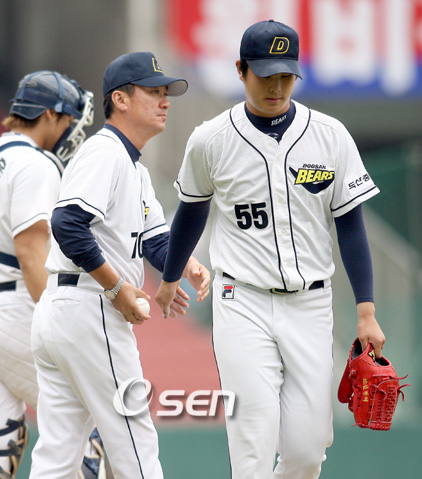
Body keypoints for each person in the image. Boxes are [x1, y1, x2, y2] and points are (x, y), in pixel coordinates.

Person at [155, 20, 386, 479]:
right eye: (265, 75)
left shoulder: (330, 135)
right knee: (253, 446)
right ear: (241, 71)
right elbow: (191, 214)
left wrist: (366, 311)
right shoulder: (211, 139)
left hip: (311, 305)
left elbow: (351, 226)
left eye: (285, 76)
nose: (276, 87)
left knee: (307, 452)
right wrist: (169, 277)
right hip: (242, 302)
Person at [28, 52, 210, 479]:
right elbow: (67, 224)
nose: (164, 101)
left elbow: (155, 241)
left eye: (166, 93)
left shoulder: (132, 167)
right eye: (153, 91)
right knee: (136, 445)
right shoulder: (105, 152)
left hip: (65, 311)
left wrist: (184, 265)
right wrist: (114, 287)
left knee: (57, 459)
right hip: (91, 309)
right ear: (120, 99)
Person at [0, 70, 100, 479]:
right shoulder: (35, 163)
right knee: (95, 426)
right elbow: (31, 250)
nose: (72, 129)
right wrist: (56, 319)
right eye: (68, 118)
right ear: (49, 114)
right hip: (14, 307)